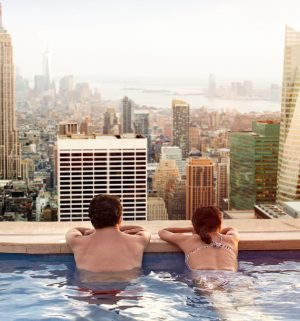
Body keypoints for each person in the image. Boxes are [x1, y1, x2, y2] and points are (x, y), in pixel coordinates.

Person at [66, 194, 151, 274]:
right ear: (120, 218)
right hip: (127, 288)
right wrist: (120, 230)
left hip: (89, 287)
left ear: (91, 220)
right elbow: (141, 229)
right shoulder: (138, 241)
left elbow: (74, 230)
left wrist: (92, 231)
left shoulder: (77, 242)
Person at [158, 206, 239, 272]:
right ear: (219, 223)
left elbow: (163, 232)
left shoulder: (188, 240)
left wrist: (190, 229)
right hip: (230, 275)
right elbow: (232, 229)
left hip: (203, 276)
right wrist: (218, 231)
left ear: (195, 224)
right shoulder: (232, 239)